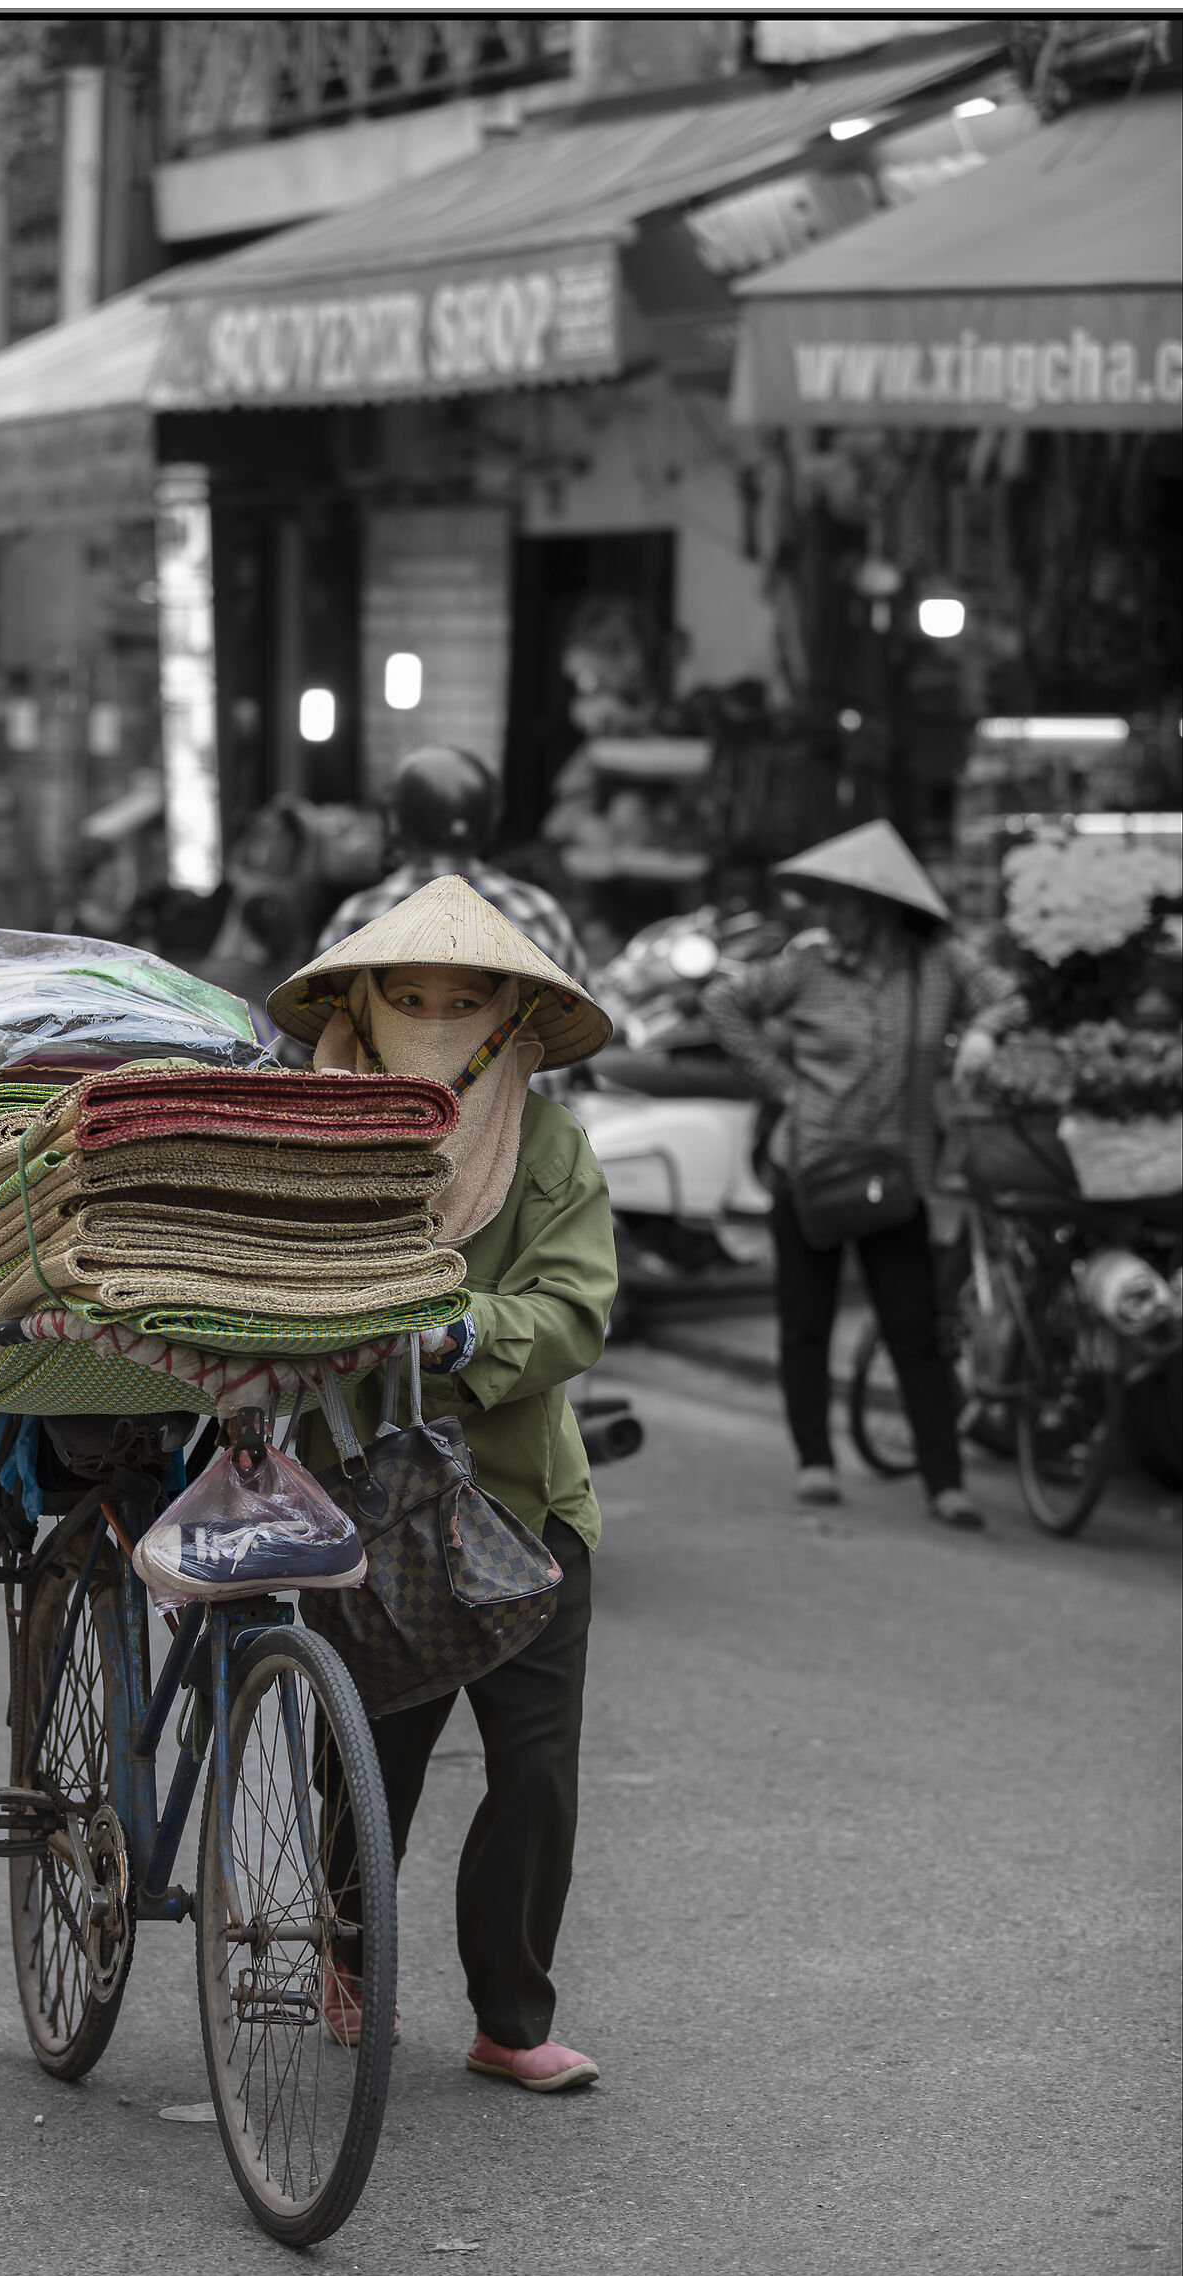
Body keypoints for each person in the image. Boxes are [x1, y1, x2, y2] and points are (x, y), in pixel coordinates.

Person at [267, 875, 616, 2092]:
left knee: (536, 1772)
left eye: (462, 1000)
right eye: (408, 996)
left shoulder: (553, 1143)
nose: (434, 1015)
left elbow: (576, 1311)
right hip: (362, 1498)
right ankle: (347, 1956)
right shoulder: (302, 1130)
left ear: (509, 1014)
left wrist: (457, 1332)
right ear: (358, 1003)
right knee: (371, 1755)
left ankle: (510, 2021)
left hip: (523, 1504)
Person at [700, 820, 1020, 1529]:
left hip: (896, 1176)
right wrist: (781, 1084)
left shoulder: (937, 963)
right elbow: (723, 1004)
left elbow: (1010, 995)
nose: (827, 912)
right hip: (807, 1169)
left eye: (841, 899)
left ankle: (946, 1481)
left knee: (915, 1327)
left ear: (879, 906)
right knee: (804, 1321)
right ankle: (815, 1459)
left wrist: (984, 1033)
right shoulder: (807, 965)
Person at [317, 746, 591, 988]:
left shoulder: (357, 918)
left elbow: (304, 1033)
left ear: (397, 820)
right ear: (489, 819)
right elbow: (584, 1023)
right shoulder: (539, 912)